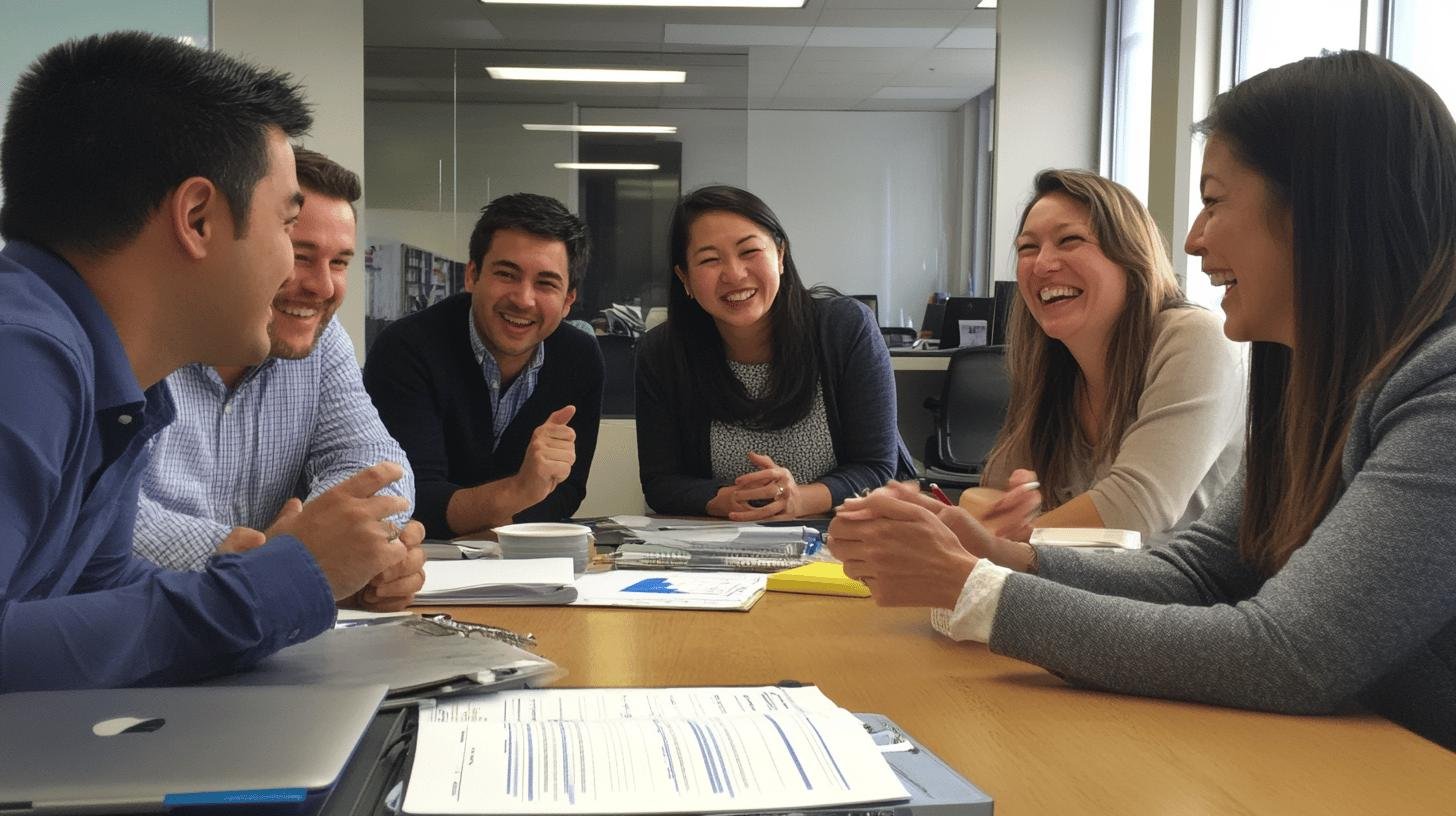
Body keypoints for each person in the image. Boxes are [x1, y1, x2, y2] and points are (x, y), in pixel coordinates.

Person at [826, 50, 1456, 751]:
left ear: (1325, 208)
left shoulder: (1443, 393)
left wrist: (975, 587)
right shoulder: (1309, 378)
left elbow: (1292, 654)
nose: (1191, 238)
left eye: (1214, 201)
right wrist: (1001, 556)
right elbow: (1200, 571)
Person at [0, 32, 413, 691]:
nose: (295, 272)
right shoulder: (20, 354)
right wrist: (283, 579)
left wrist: (285, 580)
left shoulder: (119, 380)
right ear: (196, 218)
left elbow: (102, 591)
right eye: (286, 227)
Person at [132, 147, 424, 610]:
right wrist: (291, 560)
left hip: (261, 640)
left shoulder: (321, 343)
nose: (324, 287)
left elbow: (375, 460)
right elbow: (101, 522)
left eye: (341, 262)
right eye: (300, 254)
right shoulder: (131, 337)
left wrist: (355, 546)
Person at [964, 170, 1244, 545]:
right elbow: (994, 493)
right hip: (1097, 595)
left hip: (1195, 600)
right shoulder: (1057, 368)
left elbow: (1134, 508)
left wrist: (994, 538)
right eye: (1028, 248)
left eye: (1070, 240)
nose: (1043, 264)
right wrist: (943, 517)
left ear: (1131, 257)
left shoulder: (1195, 338)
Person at [636, 185, 913, 520]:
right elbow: (660, 482)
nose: (735, 274)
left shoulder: (846, 329)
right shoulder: (662, 353)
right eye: (710, 260)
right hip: (721, 545)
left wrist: (798, 500)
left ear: (780, 255)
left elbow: (876, 466)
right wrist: (723, 499)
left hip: (841, 539)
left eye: (749, 251)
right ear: (685, 278)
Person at [364, 193, 603, 539]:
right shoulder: (407, 348)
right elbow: (410, 500)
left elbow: (566, 491)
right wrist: (519, 491)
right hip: (420, 563)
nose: (523, 299)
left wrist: (492, 520)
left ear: (568, 300)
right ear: (473, 275)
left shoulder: (579, 357)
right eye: (507, 274)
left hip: (522, 561)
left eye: (546, 283)